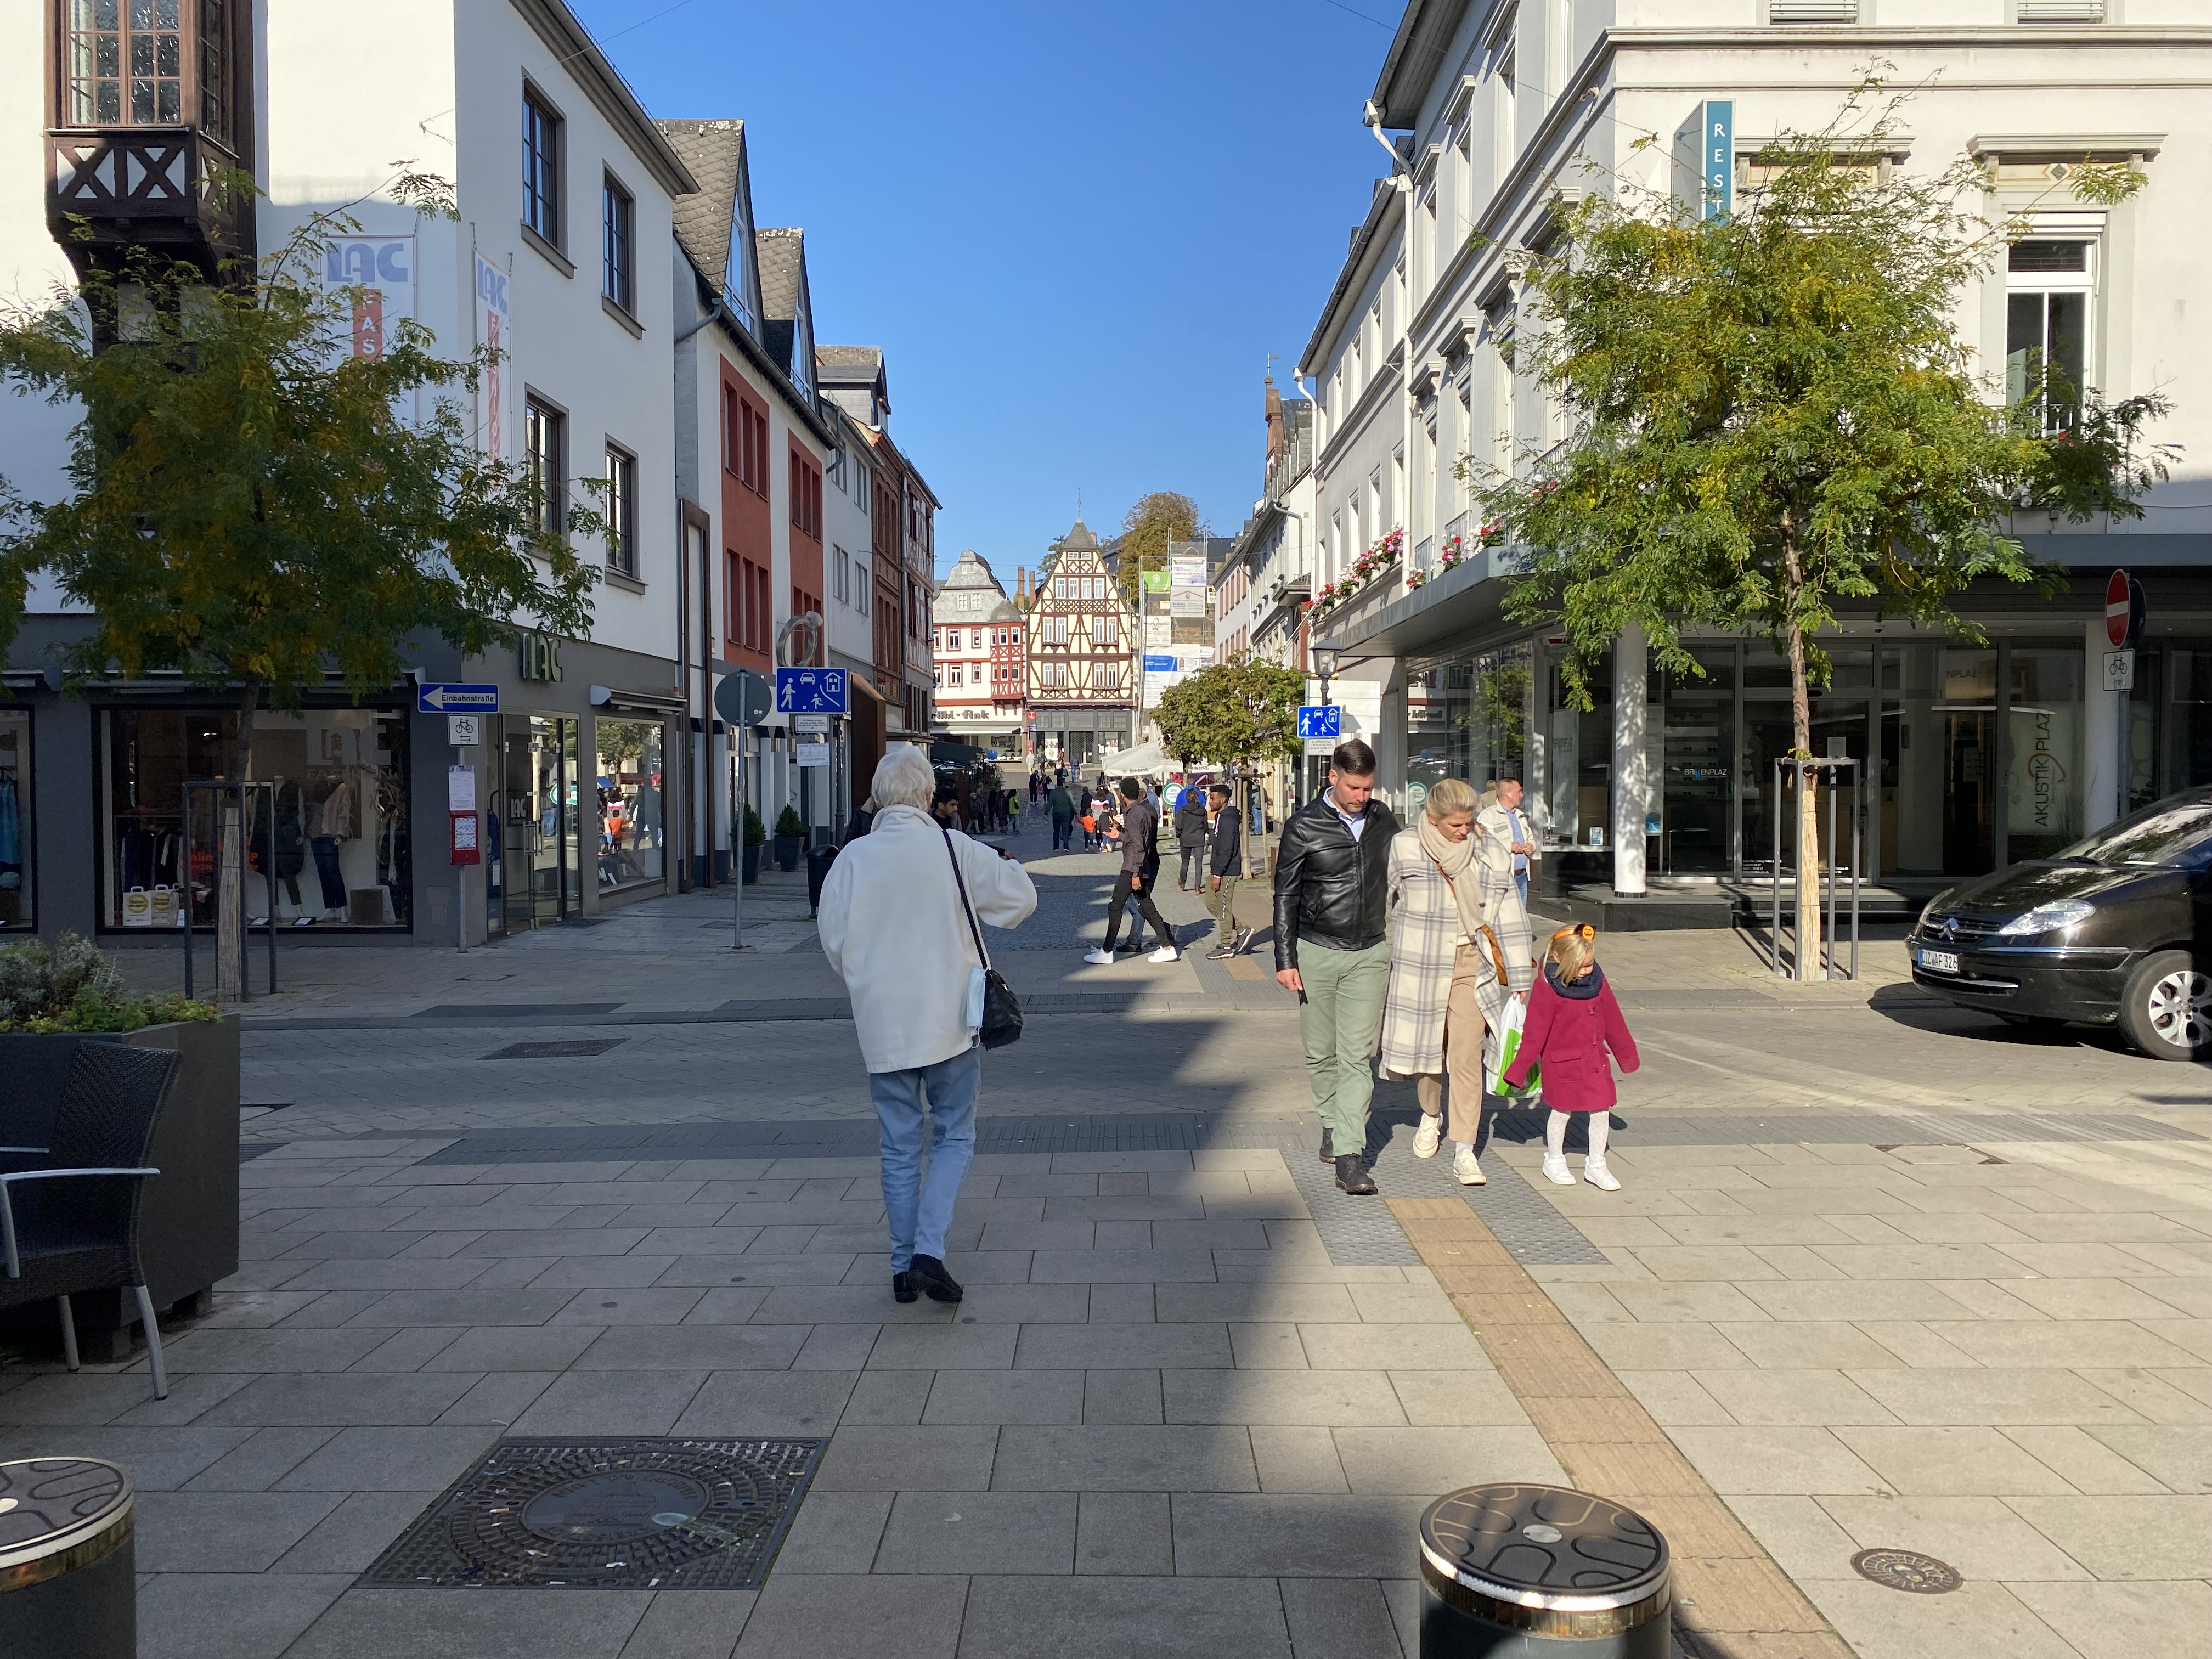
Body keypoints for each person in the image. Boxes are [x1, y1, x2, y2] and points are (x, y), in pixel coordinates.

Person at [819, 746, 1038, 1301]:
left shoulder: (853, 859)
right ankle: (928, 1252)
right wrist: (1009, 865)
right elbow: (1021, 901)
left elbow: (834, 943)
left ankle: (901, 1269)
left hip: (883, 1027)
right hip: (949, 1023)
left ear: (879, 798)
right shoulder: (953, 847)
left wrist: (867, 984)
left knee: (897, 1146)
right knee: (955, 1135)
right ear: (925, 796)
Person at [1378, 778, 1534, 1187]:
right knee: (1427, 1054)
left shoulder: (1490, 851)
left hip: (1473, 961)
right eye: (1455, 826)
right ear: (1432, 818)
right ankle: (1431, 1115)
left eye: (1468, 823)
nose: (1464, 832)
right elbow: (1383, 900)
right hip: (1421, 962)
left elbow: (1510, 915)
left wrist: (1519, 977)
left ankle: (1465, 1148)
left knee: (1466, 1054)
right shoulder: (1405, 846)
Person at [1273, 739, 1400, 1195]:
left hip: (1369, 952)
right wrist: (1285, 959)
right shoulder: (1303, 826)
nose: (1362, 797)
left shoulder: (1385, 821)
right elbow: (1285, 895)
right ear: (1333, 777)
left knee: (1357, 1057)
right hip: (1317, 950)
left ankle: (1349, 1154)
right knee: (1319, 1051)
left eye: (1368, 788)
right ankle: (1330, 1120)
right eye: (1354, 787)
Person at [1503, 923, 1640, 1192]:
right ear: (1559, 960)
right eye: (1581, 966)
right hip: (1562, 1063)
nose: (1587, 971)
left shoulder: (1597, 981)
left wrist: (1627, 1055)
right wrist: (1518, 1071)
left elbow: (1613, 1019)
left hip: (1594, 1061)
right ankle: (1554, 1159)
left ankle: (1597, 1164)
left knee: (1601, 1110)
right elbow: (1535, 1033)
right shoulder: (1547, 986)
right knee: (1562, 1111)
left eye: (1590, 965)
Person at [1086, 776, 1178, 964]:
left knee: (1116, 905)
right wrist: (1120, 833)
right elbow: (1137, 839)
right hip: (1140, 865)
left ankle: (1106, 951)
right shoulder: (1141, 811)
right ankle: (1167, 947)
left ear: (1121, 794)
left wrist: (1135, 873)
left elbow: (1138, 846)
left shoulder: (1135, 814)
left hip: (1132, 867)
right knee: (1146, 905)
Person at [1480, 778, 1539, 909]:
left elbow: (1530, 837)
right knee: (1500, 917)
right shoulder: (1488, 816)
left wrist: (1531, 846)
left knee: (1521, 917)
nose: (1522, 795)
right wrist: (1508, 846)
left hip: (1522, 876)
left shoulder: (1520, 815)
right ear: (1508, 794)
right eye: (1519, 791)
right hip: (1501, 878)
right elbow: (1481, 844)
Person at [1204, 781, 1248, 957]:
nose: (1210, 802)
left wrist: (1218, 874)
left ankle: (1226, 946)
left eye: (1213, 798)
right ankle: (1241, 930)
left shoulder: (1228, 819)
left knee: (1223, 907)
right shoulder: (1220, 817)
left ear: (1223, 799)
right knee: (1211, 902)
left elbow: (1227, 849)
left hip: (1227, 871)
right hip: (1218, 869)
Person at [1175, 782, 1211, 891]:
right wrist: (1202, 833)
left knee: (1185, 862)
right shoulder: (1203, 811)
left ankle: (1183, 883)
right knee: (1198, 864)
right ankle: (1197, 887)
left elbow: (1178, 825)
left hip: (1185, 839)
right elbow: (1205, 826)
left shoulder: (1183, 810)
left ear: (1187, 798)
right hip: (1199, 839)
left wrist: (1179, 835)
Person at [1048, 778, 1076, 850]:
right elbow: (1073, 804)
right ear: (1063, 783)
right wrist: (1076, 813)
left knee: (1056, 831)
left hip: (1056, 813)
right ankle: (1066, 846)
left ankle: (1056, 847)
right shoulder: (1068, 793)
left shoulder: (1053, 793)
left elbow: (1049, 804)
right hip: (1066, 813)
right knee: (1065, 830)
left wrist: (1046, 813)